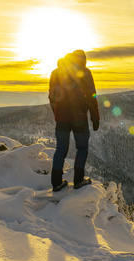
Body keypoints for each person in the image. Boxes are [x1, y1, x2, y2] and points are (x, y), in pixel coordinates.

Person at [48, 49, 100, 191]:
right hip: (79, 118)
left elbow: (52, 96)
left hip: (62, 118)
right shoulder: (85, 72)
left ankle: (56, 183)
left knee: (61, 148)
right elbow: (91, 96)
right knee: (82, 148)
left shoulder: (56, 73)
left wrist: (57, 112)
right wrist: (95, 118)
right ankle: (78, 181)